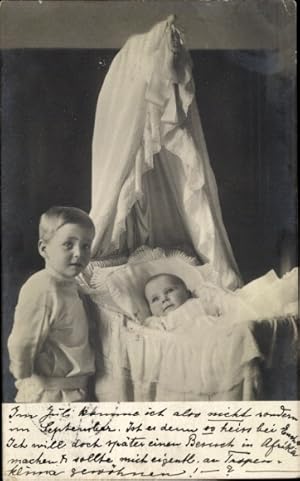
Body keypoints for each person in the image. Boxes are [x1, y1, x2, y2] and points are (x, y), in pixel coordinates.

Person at [8, 206, 96, 402]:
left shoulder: (71, 284)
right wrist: (24, 375)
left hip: (73, 389)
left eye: (86, 246)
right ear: (43, 248)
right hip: (49, 393)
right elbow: (22, 341)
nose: (78, 253)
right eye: (68, 245)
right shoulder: (42, 287)